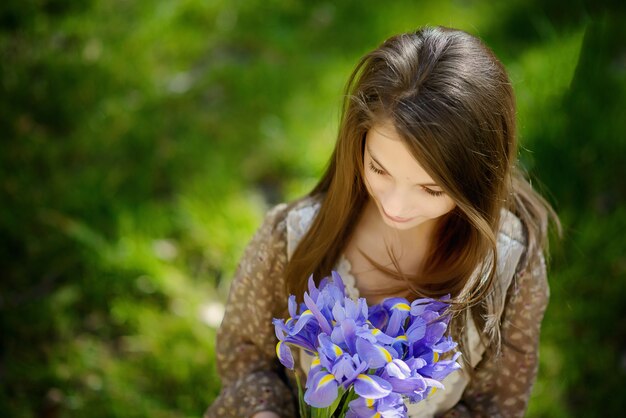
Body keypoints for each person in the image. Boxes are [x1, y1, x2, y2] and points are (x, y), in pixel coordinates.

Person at [204, 26, 560, 418]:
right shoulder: (290, 238)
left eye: (431, 189)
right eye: (379, 168)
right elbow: (245, 356)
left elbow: (496, 405)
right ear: (356, 140)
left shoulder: (511, 269)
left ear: (478, 182)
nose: (396, 205)